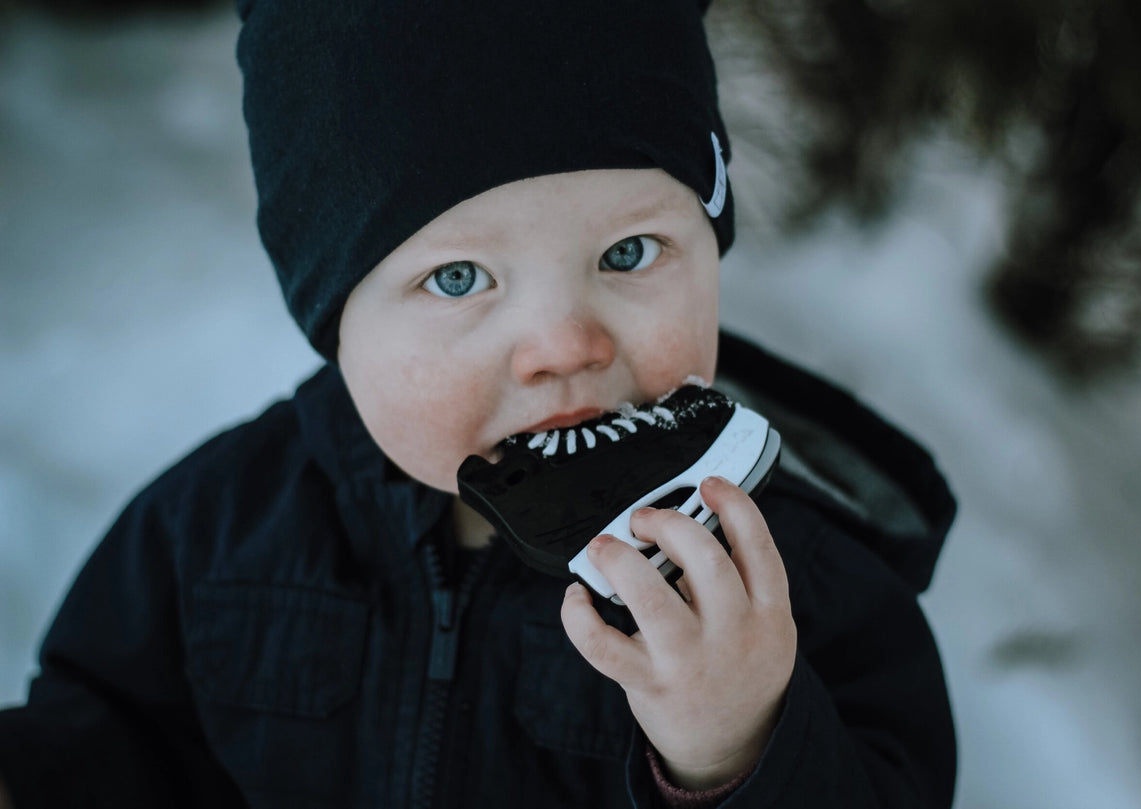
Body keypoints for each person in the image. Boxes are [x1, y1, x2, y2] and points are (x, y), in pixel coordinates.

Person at [0, 1, 957, 806]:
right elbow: (110, 738)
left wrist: (740, 747)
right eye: (459, 277)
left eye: (627, 254)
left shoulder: (785, 574)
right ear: (334, 318)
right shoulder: (218, 530)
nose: (563, 347)